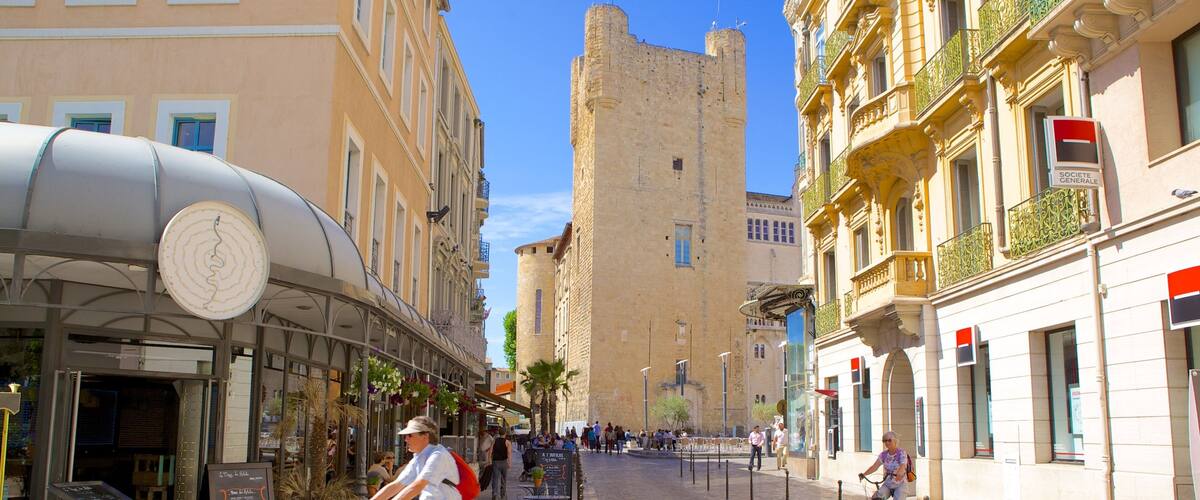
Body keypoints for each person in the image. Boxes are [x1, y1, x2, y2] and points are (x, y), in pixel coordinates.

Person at [371, 416, 461, 500]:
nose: (406, 439)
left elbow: (419, 485)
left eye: (410, 435)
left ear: (425, 436)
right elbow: (396, 485)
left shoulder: (438, 455)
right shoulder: (419, 458)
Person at [859, 431, 909, 500]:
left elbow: (903, 465)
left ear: (895, 440)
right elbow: (874, 467)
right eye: (884, 441)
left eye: (889, 440)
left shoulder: (901, 453)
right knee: (877, 498)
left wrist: (900, 472)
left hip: (900, 483)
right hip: (888, 484)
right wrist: (864, 474)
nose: (887, 442)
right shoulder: (883, 455)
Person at [490, 428, 510, 500]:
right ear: (505, 433)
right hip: (504, 462)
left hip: (495, 462)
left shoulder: (495, 441)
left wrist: (489, 460)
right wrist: (509, 463)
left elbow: (490, 450)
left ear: (499, 433)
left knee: (495, 478)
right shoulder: (507, 442)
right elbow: (509, 454)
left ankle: (495, 494)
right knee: (503, 479)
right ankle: (503, 495)